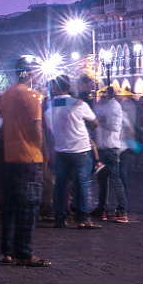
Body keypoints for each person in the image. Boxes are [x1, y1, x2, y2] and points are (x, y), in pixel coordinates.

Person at [0, 57, 49, 266]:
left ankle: (7, 250)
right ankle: (25, 252)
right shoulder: (33, 96)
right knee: (28, 206)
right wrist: (43, 152)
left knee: (10, 206)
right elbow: (36, 129)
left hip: (9, 155)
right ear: (29, 73)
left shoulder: (6, 96)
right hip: (29, 156)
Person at [44, 80, 100, 229]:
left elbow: (49, 129)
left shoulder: (48, 107)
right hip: (80, 149)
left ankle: (60, 218)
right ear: (69, 87)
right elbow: (95, 123)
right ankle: (83, 219)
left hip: (61, 150)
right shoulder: (79, 104)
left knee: (60, 185)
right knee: (81, 184)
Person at [93, 87, 134, 223]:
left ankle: (122, 210)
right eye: (101, 94)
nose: (102, 96)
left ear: (111, 94)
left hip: (111, 148)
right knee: (101, 180)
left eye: (104, 94)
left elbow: (115, 127)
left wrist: (101, 120)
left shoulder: (114, 106)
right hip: (101, 148)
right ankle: (102, 209)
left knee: (115, 179)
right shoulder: (102, 106)